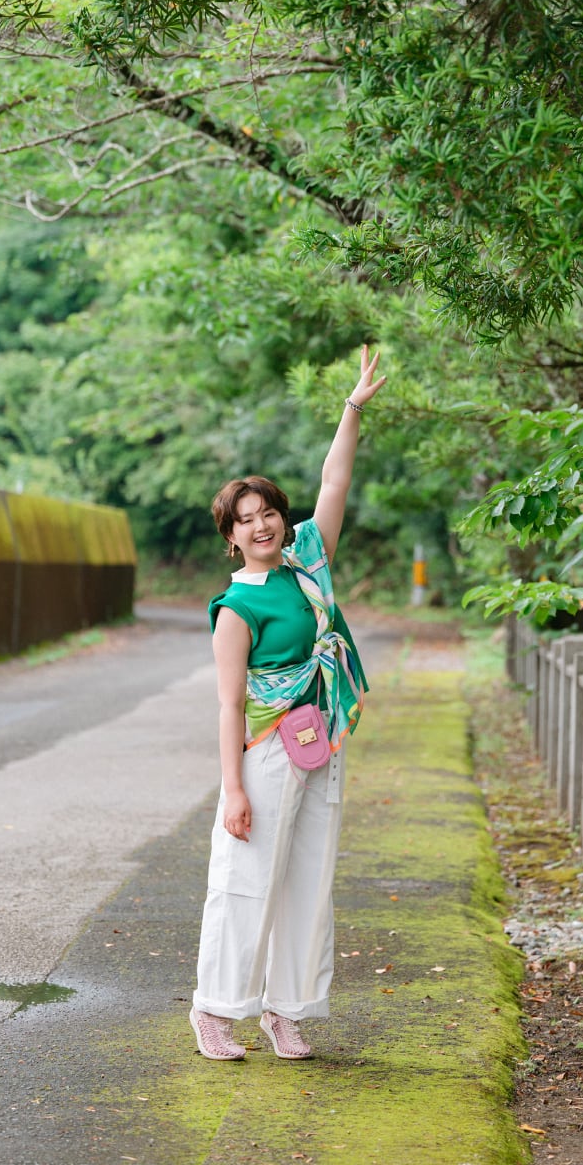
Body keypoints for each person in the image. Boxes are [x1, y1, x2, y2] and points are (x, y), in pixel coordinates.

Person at [189, 345, 388, 1062]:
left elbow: (335, 481)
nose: (262, 524)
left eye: (268, 511)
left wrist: (352, 409)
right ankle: (215, 1008)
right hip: (269, 747)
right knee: (246, 881)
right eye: (246, 519)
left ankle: (286, 1009)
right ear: (231, 535)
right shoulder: (235, 606)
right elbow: (229, 706)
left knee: (309, 879)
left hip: (321, 739)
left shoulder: (306, 566)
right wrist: (232, 789)